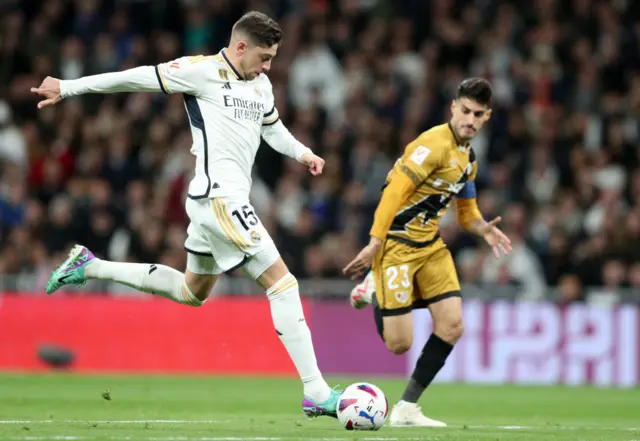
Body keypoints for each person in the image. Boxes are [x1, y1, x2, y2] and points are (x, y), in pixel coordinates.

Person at [31, 11, 339, 419]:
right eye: (264, 57)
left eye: (273, 59)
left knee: (192, 292)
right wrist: (68, 88)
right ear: (240, 46)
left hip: (217, 203)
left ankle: (90, 266)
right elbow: (135, 77)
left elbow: (273, 128)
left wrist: (303, 153)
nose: (268, 67)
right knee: (283, 283)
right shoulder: (200, 71)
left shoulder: (261, 85)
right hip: (219, 199)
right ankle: (316, 392)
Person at [343, 78, 512, 427]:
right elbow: (393, 193)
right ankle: (376, 288)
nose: (470, 118)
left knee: (452, 325)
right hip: (396, 246)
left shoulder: (468, 159)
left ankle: (406, 407)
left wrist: (483, 228)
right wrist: (375, 243)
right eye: (464, 110)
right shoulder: (432, 145)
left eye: (477, 114)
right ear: (453, 107)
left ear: (486, 117)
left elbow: (466, 214)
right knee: (399, 344)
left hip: (430, 247)